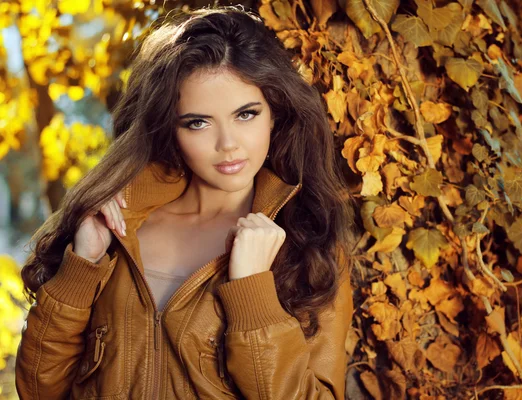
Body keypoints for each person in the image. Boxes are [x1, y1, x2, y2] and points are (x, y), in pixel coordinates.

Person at [15, 5, 358, 400]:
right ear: (170, 128)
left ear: (275, 114)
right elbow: (38, 389)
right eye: (198, 122)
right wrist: (82, 265)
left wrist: (252, 292)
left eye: (246, 114)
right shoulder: (118, 229)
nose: (227, 144)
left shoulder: (306, 244)